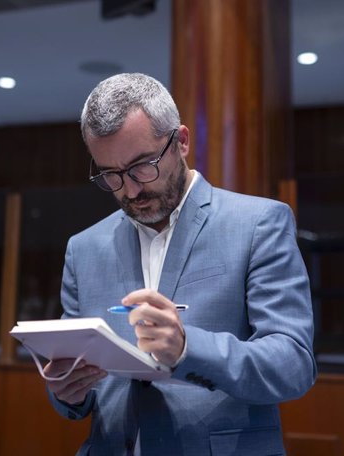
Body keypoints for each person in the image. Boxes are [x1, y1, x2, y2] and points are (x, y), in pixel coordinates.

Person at [43, 73, 316, 455]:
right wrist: (66, 392)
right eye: (111, 175)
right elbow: (79, 393)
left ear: (181, 141)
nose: (131, 190)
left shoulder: (258, 224)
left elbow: (293, 365)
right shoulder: (83, 248)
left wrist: (188, 348)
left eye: (142, 166)